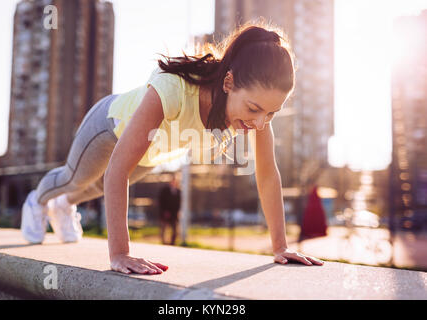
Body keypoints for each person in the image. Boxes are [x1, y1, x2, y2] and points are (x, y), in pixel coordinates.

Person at [20, 22, 324, 275]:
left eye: (271, 113)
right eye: (255, 108)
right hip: (108, 128)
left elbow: (268, 176)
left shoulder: (257, 115)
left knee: (93, 189)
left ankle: (62, 207)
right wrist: (120, 254)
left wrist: (280, 246)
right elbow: (118, 170)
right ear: (229, 82)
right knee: (73, 179)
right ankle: (37, 201)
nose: (260, 122)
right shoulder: (174, 88)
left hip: (153, 152)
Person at [158, 173, 181, 245]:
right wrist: (165, 211)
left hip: (174, 214)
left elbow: (179, 203)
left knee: (175, 230)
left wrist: (178, 212)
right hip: (165, 213)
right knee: (164, 228)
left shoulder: (178, 191)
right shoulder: (165, 190)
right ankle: (163, 243)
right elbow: (161, 201)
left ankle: (172, 243)